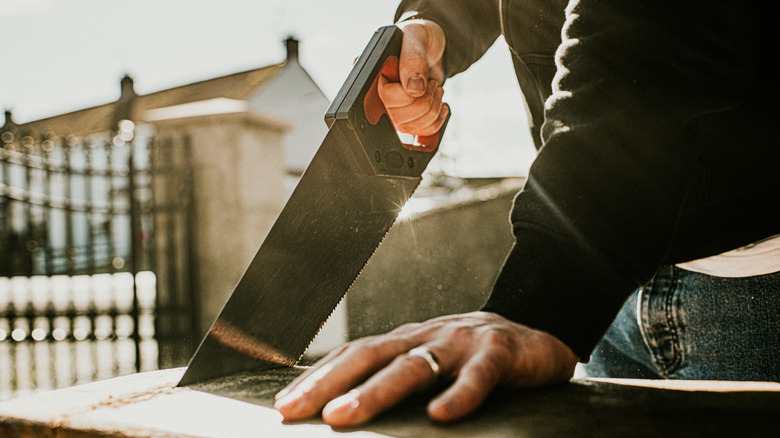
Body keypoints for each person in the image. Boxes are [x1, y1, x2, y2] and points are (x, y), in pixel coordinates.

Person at [274, 0, 780, 427]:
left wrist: (544, 299)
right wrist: (433, 24)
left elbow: (650, 43)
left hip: (750, 285)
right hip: (605, 293)